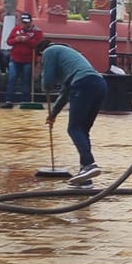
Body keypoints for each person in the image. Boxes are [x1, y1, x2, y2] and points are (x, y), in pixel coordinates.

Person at [41, 42, 104, 183]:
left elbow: (48, 81)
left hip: (83, 84)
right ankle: (85, 175)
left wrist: (45, 86)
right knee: (82, 130)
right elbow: (65, 93)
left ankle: (88, 164)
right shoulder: (72, 61)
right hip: (99, 84)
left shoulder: (49, 51)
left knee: (74, 129)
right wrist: (53, 115)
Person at [3, 12, 45, 105]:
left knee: (26, 80)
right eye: (23, 22)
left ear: (31, 22)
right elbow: (9, 42)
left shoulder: (37, 32)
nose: (24, 25)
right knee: (12, 78)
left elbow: (40, 45)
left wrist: (28, 40)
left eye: (26, 22)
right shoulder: (16, 29)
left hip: (29, 60)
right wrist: (16, 40)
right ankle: (8, 100)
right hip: (15, 58)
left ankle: (25, 101)